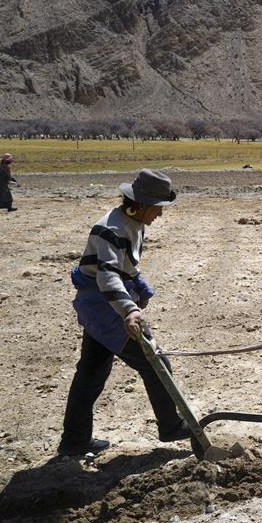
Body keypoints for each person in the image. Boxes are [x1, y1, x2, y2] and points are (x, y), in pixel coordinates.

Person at [57, 169, 191, 456]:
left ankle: (74, 440)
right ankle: (171, 427)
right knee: (155, 363)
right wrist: (129, 310)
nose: (160, 215)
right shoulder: (111, 229)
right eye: (157, 209)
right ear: (141, 204)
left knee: (91, 373)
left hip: (101, 306)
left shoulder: (131, 222)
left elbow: (124, 268)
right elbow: (108, 276)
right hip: (105, 308)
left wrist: (139, 287)